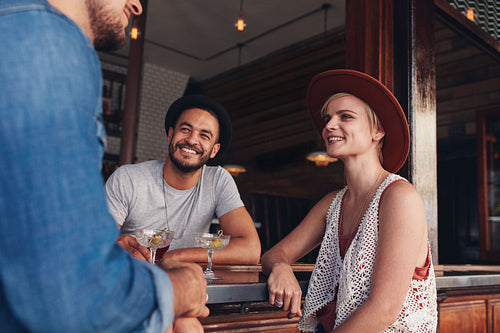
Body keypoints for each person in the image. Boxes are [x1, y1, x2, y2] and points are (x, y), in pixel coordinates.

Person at [0, 0, 209, 332]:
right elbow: (72, 296)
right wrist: (182, 287)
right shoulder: (46, 42)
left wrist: (103, 252)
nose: (137, 5)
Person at [261, 69, 437, 332]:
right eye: (328, 118)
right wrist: (281, 267)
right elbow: (273, 254)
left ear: (377, 131)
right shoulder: (332, 204)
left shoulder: (399, 197)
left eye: (345, 117)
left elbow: (383, 309)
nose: (329, 126)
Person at [105, 94, 261, 264]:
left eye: (204, 136)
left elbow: (251, 249)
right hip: (134, 277)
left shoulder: (217, 180)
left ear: (214, 150)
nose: (192, 140)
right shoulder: (128, 178)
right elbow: (94, 244)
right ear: (170, 134)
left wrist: (176, 256)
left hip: (187, 282)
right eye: (185, 129)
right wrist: (113, 245)